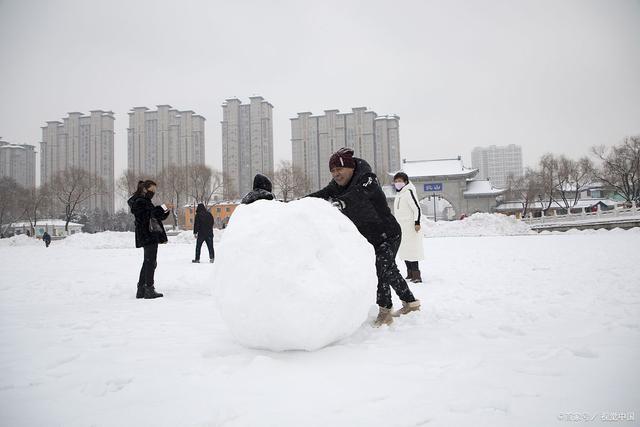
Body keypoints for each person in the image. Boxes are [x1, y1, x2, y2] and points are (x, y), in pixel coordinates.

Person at [308, 147, 420, 327]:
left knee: (382, 268)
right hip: (370, 236)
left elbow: (359, 195)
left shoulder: (368, 179)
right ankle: (410, 302)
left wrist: (341, 202)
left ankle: (385, 311)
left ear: (351, 167)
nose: (336, 174)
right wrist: (299, 203)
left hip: (388, 232)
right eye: (333, 171)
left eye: (339, 169)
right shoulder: (336, 185)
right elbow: (322, 195)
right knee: (389, 269)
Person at [127, 180, 170, 299]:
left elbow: (156, 215)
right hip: (147, 234)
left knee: (148, 262)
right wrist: (162, 207)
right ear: (145, 189)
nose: (153, 193)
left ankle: (141, 289)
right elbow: (148, 215)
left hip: (148, 234)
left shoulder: (144, 201)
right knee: (150, 262)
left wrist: (165, 211)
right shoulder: (140, 202)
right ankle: (149, 289)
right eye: (152, 190)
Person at [392, 172, 424, 283]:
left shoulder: (409, 192)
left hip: (411, 227)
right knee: (404, 251)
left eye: (400, 181)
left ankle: (416, 275)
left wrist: (417, 222)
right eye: (395, 181)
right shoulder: (399, 194)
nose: (397, 183)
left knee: (412, 251)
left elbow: (417, 208)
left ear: (405, 182)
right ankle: (409, 273)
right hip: (402, 227)